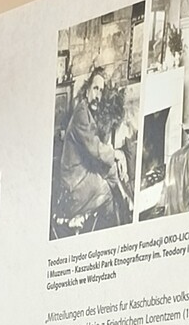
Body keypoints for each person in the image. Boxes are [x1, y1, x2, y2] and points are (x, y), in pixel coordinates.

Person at [52, 64, 131, 232]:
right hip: (74, 187)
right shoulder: (81, 113)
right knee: (108, 191)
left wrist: (114, 161)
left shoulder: (87, 112)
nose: (98, 95)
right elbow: (95, 148)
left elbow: (97, 149)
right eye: (95, 89)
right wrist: (116, 154)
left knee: (112, 171)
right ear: (87, 90)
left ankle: (126, 205)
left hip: (81, 176)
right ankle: (113, 230)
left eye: (101, 91)